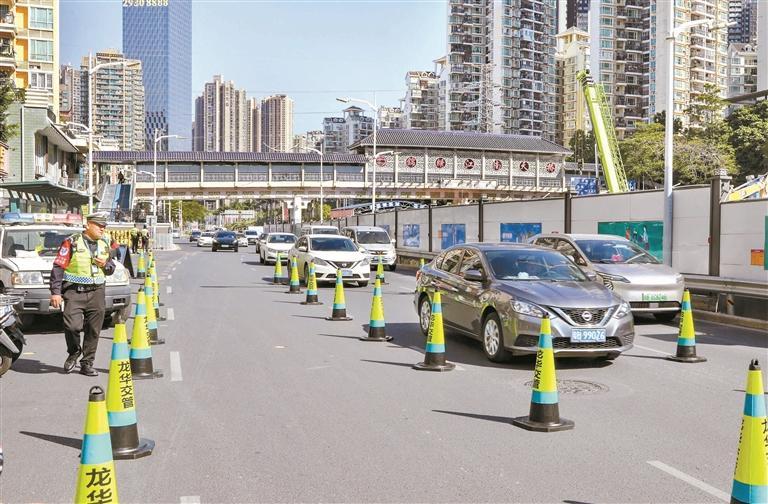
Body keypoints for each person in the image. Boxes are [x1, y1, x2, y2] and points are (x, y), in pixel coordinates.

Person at [49, 213, 117, 376]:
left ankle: (87, 363)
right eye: (99, 226)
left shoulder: (105, 243)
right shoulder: (71, 242)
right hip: (74, 292)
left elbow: (111, 268)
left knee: (94, 330)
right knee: (72, 326)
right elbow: (58, 267)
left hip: (97, 292)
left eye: (104, 226)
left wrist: (105, 265)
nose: (102, 229)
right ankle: (74, 351)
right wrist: (55, 292)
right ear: (88, 225)